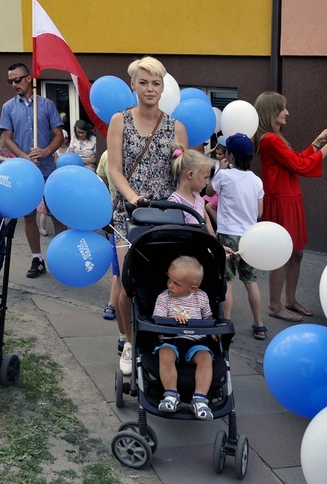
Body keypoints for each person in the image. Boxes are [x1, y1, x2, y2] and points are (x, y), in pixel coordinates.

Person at [108, 55, 188, 376]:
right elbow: (115, 169)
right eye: (144, 82)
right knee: (128, 283)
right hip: (129, 214)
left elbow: (182, 174)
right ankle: (129, 341)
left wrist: (186, 167)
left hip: (166, 213)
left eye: (156, 83)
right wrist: (133, 199)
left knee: (164, 280)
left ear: (163, 86)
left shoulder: (175, 126)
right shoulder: (120, 121)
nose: (150, 88)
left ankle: (163, 337)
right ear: (133, 86)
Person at [254, 91, 327, 323]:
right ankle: (275, 306)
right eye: (283, 109)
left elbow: (295, 160)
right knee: (282, 254)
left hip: (290, 199)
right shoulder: (270, 139)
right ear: (272, 112)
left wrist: (317, 143)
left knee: (296, 253)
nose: (287, 112)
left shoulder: (275, 137)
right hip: (282, 202)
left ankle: (290, 299)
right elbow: (301, 165)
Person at [0, 62, 66, 278]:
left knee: (56, 212)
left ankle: (61, 256)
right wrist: (24, 157)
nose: (14, 84)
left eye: (17, 79)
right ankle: (37, 258)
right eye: (11, 81)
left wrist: (46, 151)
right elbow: (6, 138)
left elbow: (59, 135)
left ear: (29, 78)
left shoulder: (46, 105)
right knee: (28, 216)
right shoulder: (8, 107)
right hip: (24, 171)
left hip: (47, 168)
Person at [206, 133, 266, 339]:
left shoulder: (224, 175)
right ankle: (259, 325)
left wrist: (220, 171)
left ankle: (225, 324)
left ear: (230, 155)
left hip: (228, 235)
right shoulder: (256, 180)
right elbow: (259, 212)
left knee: (228, 282)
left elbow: (208, 190)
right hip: (250, 236)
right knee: (251, 280)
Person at [152, 255, 214, 420]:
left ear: (192, 288)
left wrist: (214, 329)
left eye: (176, 283)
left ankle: (200, 398)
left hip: (196, 341)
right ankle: (171, 395)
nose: (170, 285)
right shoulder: (164, 298)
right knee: (165, 354)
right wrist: (173, 319)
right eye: (169, 279)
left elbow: (208, 317)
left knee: (206, 358)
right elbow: (157, 318)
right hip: (170, 339)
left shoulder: (201, 297)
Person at [96, 150, 127, 354]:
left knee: (119, 273)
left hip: (115, 217)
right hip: (121, 219)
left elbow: (101, 178)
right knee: (120, 274)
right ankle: (113, 306)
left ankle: (111, 304)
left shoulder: (108, 154)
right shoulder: (110, 154)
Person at [168, 147, 217, 235]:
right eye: (205, 177)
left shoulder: (200, 200)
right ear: (190, 175)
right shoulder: (174, 203)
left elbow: (210, 233)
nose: (207, 182)